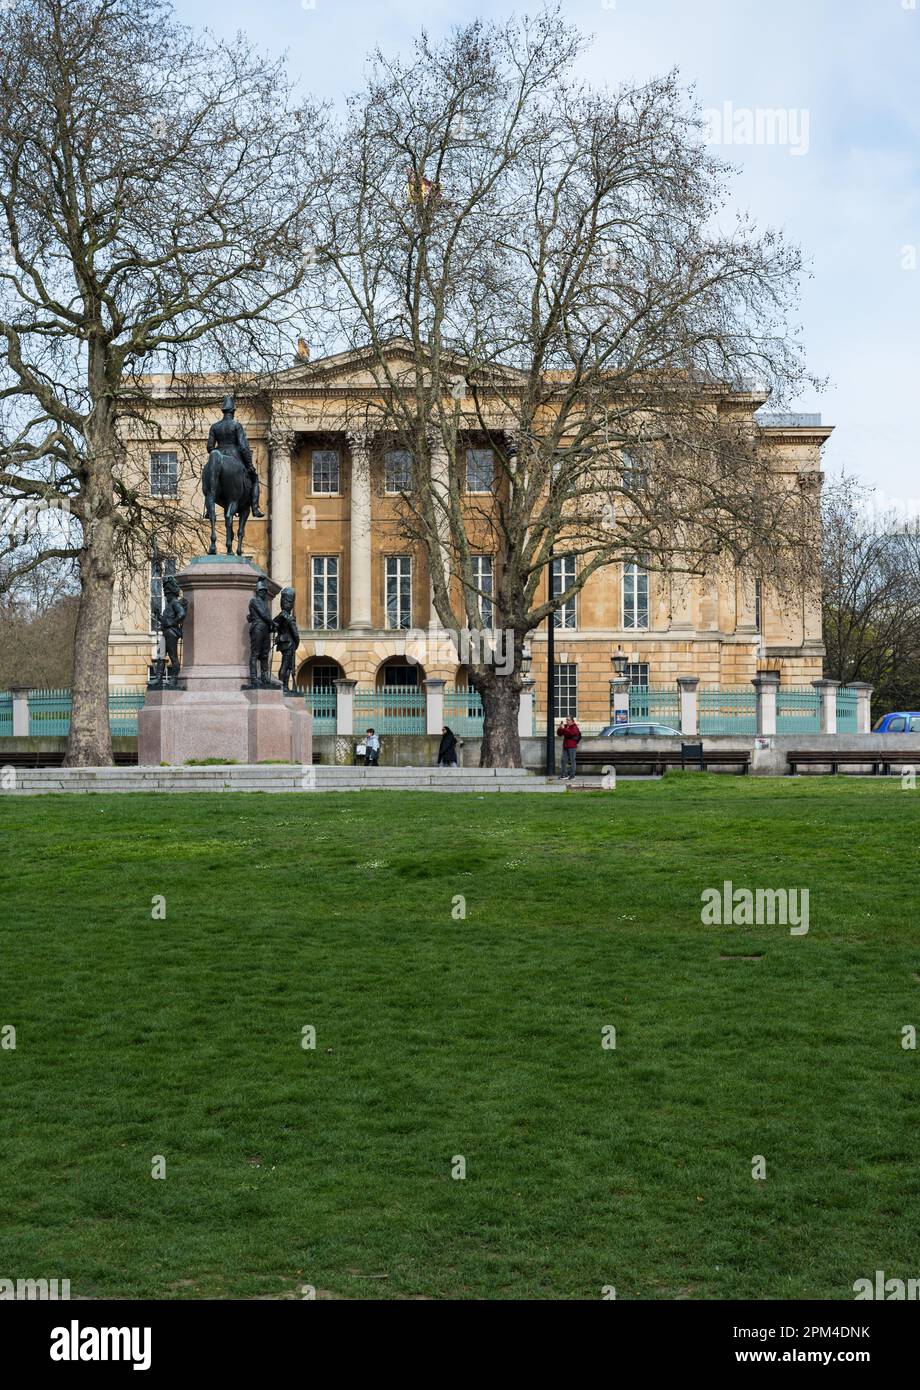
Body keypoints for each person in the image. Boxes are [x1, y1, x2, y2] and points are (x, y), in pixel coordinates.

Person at [557, 714, 581, 779]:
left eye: (568, 720)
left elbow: (570, 733)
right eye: (566, 720)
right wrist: (560, 728)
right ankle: (564, 774)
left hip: (572, 746)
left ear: (572, 721)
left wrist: (564, 728)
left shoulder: (574, 727)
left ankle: (572, 776)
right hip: (565, 746)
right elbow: (559, 734)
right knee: (563, 760)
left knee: (572, 761)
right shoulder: (566, 726)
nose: (567, 721)